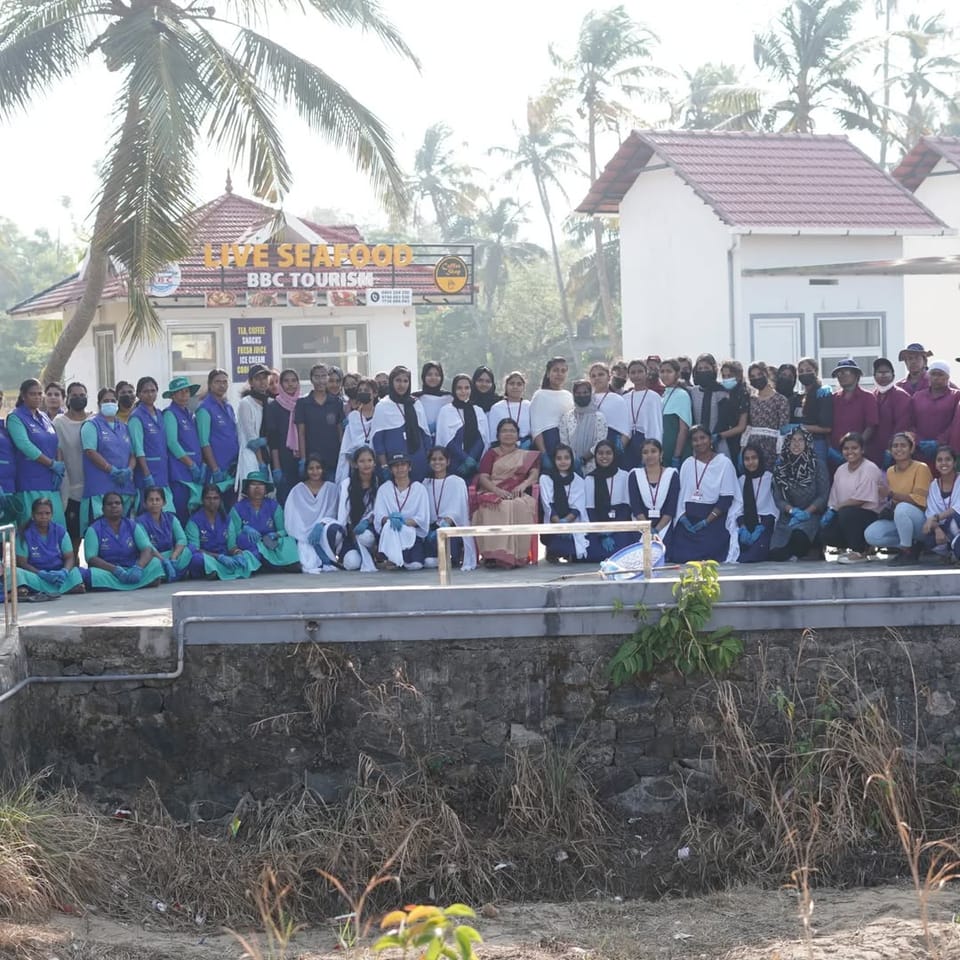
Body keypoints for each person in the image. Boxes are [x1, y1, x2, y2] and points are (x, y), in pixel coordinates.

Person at [667, 424, 742, 564]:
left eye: (703, 438)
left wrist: (707, 521)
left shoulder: (724, 463)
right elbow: (680, 496)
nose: (699, 442)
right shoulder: (687, 464)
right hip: (689, 518)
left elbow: (726, 499)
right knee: (680, 553)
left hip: (713, 517)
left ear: (710, 440)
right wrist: (683, 519)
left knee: (711, 549)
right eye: (695, 439)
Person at [473, 418, 541, 569]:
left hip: (517, 492)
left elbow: (534, 474)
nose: (508, 434)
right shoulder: (491, 454)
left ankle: (517, 556)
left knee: (520, 506)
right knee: (498, 506)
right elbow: (483, 477)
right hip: (493, 490)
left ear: (518, 435)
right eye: (504, 431)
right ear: (498, 435)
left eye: (512, 431)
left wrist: (524, 485)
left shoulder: (525, 455)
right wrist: (497, 491)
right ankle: (493, 555)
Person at [864, 432, 932, 565]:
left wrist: (891, 494)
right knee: (871, 534)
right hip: (901, 517)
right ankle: (913, 546)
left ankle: (905, 551)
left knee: (902, 507)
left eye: (903, 445)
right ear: (890, 450)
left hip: (922, 522)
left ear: (911, 449)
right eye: (895, 446)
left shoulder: (921, 468)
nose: (899, 449)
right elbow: (892, 500)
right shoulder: (890, 471)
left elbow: (921, 501)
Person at [7, 379, 66, 528]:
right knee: (32, 529)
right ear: (23, 395)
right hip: (29, 483)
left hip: (51, 483)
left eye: (40, 393)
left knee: (56, 528)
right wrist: (51, 464)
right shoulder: (16, 417)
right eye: (33, 394)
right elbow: (25, 446)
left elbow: (56, 443)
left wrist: (59, 466)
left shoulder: (44, 417)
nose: (37, 397)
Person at [820, 432, 884, 564]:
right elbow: (834, 499)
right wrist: (831, 510)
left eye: (854, 448)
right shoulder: (840, 470)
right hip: (846, 514)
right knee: (826, 534)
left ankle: (860, 551)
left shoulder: (869, 468)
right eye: (846, 448)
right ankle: (853, 547)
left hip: (870, 516)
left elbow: (861, 499)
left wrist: (838, 508)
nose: (850, 452)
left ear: (862, 450)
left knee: (847, 513)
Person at [768, 427, 830, 563]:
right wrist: (792, 510)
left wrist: (807, 512)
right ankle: (797, 554)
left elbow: (823, 495)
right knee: (774, 553)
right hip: (788, 518)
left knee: (799, 538)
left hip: (811, 515)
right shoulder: (780, 467)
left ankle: (810, 550)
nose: (796, 444)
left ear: (807, 442)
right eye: (793, 440)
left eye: (801, 440)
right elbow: (778, 498)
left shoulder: (818, 465)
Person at [82, 491, 165, 590]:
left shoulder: (132, 525)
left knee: (155, 563)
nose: (114, 506)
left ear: (122, 507)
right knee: (92, 574)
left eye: (117, 503)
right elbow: (91, 558)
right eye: (109, 504)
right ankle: (141, 583)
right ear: (103, 509)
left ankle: (116, 586)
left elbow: (147, 549)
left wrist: (139, 567)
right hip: (109, 573)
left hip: (132, 568)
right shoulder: (93, 529)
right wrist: (115, 570)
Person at [80, 387, 137, 532]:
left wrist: (129, 470)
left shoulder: (124, 427)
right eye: (106, 401)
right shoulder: (91, 425)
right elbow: (90, 451)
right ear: (99, 404)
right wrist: (110, 469)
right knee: (99, 532)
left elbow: (133, 454)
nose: (110, 403)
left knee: (124, 532)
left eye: (113, 400)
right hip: (99, 490)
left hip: (124, 489)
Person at [185, 483, 260, 580]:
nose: (212, 501)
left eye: (215, 498)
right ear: (202, 500)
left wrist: (238, 553)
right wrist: (218, 557)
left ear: (220, 500)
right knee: (196, 559)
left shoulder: (226, 519)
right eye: (208, 498)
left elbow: (231, 547)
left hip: (226, 558)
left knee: (251, 554)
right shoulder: (194, 521)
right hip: (209, 558)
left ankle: (219, 571)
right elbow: (195, 549)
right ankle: (218, 570)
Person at [370, 365, 431, 482]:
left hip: (418, 460)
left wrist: (428, 459)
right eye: (398, 380)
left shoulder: (416, 403)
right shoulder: (383, 405)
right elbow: (378, 439)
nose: (401, 385)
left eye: (405, 381)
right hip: (393, 462)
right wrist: (384, 465)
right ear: (391, 382)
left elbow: (425, 434)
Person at [229, 473, 300, 571]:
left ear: (266, 489)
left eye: (261, 485)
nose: (257, 488)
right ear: (247, 489)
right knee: (246, 541)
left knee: (289, 541)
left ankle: (279, 564)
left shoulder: (274, 506)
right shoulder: (237, 508)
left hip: (270, 543)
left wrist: (275, 534)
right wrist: (244, 529)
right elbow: (233, 533)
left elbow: (284, 530)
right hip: (251, 544)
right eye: (253, 484)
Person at [15, 497, 84, 599]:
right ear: (33, 515)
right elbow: (22, 563)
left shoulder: (60, 531)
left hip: (58, 575)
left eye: (47, 513)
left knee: (76, 572)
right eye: (40, 514)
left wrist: (64, 571)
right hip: (36, 575)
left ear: (52, 515)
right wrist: (41, 573)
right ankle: (65, 588)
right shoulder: (24, 534)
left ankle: (36, 589)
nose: (44, 517)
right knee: (16, 572)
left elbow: (69, 557)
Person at [284, 453, 342, 574]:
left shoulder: (332, 488)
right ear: (306, 470)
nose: (315, 471)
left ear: (323, 469)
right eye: (311, 468)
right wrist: (304, 532)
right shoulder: (297, 489)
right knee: (307, 560)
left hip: (323, 529)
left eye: (318, 468)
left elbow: (333, 511)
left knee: (332, 530)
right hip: (302, 531)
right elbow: (292, 514)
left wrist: (321, 524)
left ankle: (328, 559)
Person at [422, 446, 476, 571]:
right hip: (431, 530)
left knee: (448, 558)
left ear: (448, 461)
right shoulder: (425, 483)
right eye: (433, 459)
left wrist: (446, 522)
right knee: (428, 562)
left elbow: (459, 509)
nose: (437, 462)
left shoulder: (457, 482)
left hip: (450, 529)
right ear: (429, 462)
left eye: (441, 459)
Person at [373, 452, 430, 570]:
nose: (400, 469)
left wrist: (403, 521)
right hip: (392, 532)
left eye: (403, 464)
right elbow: (380, 516)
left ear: (409, 467)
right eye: (395, 466)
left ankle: (402, 558)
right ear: (390, 469)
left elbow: (422, 518)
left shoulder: (419, 488)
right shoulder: (384, 489)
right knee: (389, 525)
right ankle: (390, 558)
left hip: (411, 532)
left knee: (416, 565)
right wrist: (391, 519)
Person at [127, 376, 174, 516]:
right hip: (147, 472)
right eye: (146, 391)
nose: (150, 394)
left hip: (162, 472)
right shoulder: (136, 417)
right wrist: (147, 474)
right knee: (147, 513)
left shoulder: (160, 414)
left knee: (166, 513)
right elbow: (138, 449)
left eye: (153, 391)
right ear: (139, 394)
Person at [53, 382, 91, 551]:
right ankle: (73, 572)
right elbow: (58, 449)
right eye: (74, 395)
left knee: (93, 536)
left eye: (82, 395)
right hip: (70, 488)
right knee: (73, 537)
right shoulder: (60, 422)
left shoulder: (93, 420)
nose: (79, 398)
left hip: (93, 488)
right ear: (67, 398)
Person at [584, 440, 634, 561]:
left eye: (608, 453)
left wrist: (611, 530)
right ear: (595, 456)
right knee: (591, 554)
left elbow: (626, 509)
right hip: (597, 527)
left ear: (614, 455)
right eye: (600, 453)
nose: (604, 457)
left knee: (622, 552)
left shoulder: (624, 476)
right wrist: (602, 534)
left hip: (619, 524)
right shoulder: (589, 479)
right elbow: (590, 511)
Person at [162, 376, 204, 520]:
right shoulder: (170, 414)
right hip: (179, 472)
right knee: (181, 511)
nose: (184, 395)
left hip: (193, 471)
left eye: (186, 391)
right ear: (173, 396)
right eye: (180, 392)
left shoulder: (190, 414)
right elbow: (172, 443)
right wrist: (190, 464)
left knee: (194, 511)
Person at [539, 443, 587, 563]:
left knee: (576, 552)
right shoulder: (545, 478)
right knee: (556, 547)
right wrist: (559, 524)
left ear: (572, 459)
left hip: (571, 521)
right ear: (553, 460)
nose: (563, 462)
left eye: (567, 458)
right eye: (559, 458)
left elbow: (578, 507)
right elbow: (547, 505)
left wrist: (566, 522)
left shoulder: (578, 480)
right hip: (554, 521)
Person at [197, 368, 239, 505]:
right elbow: (204, 442)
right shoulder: (204, 408)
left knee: (231, 506)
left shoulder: (228, 407)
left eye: (225, 382)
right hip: (216, 469)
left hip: (232, 469)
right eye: (217, 382)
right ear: (210, 384)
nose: (221, 385)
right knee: (215, 507)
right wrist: (215, 468)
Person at [435, 374, 490, 481]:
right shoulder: (446, 410)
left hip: (474, 464)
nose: (463, 391)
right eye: (459, 388)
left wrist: (471, 460)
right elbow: (446, 440)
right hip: (454, 463)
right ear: (454, 389)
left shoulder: (478, 410)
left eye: (467, 388)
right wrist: (465, 458)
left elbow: (482, 438)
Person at [295, 363, 343, 478]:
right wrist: (303, 459)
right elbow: (301, 433)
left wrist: (342, 456)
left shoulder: (337, 402)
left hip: (332, 458)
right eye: (317, 377)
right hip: (312, 460)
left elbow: (340, 431)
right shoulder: (303, 403)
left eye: (323, 376)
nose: (320, 380)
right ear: (311, 379)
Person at [627, 438, 680, 544]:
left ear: (661, 454)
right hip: (641, 525)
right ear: (641, 456)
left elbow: (671, 508)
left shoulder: (672, 474)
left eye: (653, 451)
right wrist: (648, 530)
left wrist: (656, 530)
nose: (649, 455)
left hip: (664, 524)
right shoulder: (635, 475)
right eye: (645, 452)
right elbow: (636, 507)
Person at [336, 446, 379, 572]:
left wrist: (367, 521)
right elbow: (343, 515)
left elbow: (378, 511)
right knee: (352, 563)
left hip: (370, 530)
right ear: (355, 464)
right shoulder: (347, 484)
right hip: (351, 532)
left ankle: (373, 553)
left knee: (365, 536)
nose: (366, 464)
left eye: (369, 460)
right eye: (362, 461)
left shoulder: (378, 482)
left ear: (374, 463)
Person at [262, 368, 302, 504]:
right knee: (286, 501)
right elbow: (273, 439)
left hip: (302, 461)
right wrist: (277, 467)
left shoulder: (303, 404)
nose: (290, 384)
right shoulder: (273, 406)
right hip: (283, 459)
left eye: (294, 380)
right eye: (286, 381)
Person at [908, 360, 958, 467]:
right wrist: (918, 441)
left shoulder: (956, 396)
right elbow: (910, 422)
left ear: (948, 377)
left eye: (940, 374)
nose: (936, 378)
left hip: (946, 452)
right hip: (920, 451)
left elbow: (956, 423)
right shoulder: (917, 396)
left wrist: (939, 441)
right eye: (933, 374)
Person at [830, 360, 879, 468]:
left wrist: (855, 447)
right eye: (838, 373)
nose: (841, 376)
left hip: (859, 456)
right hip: (835, 455)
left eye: (845, 372)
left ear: (856, 375)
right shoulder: (833, 398)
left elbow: (871, 426)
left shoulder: (868, 397)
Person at [138, 486, 192, 582]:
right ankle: (174, 574)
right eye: (151, 500)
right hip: (154, 557)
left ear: (164, 502)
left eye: (157, 499)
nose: (154, 503)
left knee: (187, 551)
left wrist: (174, 556)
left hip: (171, 556)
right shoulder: (140, 522)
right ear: (145, 503)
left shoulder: (171, 518)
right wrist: (164, 561)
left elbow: (182, 539)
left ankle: (167, 574)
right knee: (153, 563)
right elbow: (147, 546)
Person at [736, 443, 776, 563]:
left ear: (760, 458)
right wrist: (742, 528)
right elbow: (737, 509)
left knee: (755, 554)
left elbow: (774, 509)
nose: (751, 462)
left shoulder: (769, 479)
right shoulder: (741, 480)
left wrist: (761, 528)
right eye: (747, 459)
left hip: (764, 526)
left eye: (754, 458)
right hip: (745, 527)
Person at [530, 357, 573, 469]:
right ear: (548, 373)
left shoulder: (568, 396)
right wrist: (544, 454)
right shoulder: (540, 395)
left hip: (567, 444)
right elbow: (536, 429)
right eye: (555, 370)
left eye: (563, 371)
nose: (559, 374)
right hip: (548, 442)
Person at [745, 362, 790, 469]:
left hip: (773, 447)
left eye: (759, 374)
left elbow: (783, 429)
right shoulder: (750, 399)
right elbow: (748, 426)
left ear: (766, 374)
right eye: (753, 376)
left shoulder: (780, 400)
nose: (757, 378)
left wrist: (780, 453)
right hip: (753, 448)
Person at [869, 358, 911, 467]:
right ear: (874, 375)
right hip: (873, 453)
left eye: (886, 372)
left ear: (893, 375)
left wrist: (892, 449)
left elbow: (903, 426)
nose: (883, 375)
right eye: (879, 372)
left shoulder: (902, 396)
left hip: (895, 453)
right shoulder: (871, 396)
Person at [236, 363, 271, 491]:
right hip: (251, 456)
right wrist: (260, 463)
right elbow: (251, 437)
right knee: (251, 492)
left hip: (266, 455)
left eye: (265, 378)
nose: (262, 382)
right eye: (258, 379)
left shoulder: (269, 402)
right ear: (251, 382)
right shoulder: (246, 403)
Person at [559, 380, 607, 474]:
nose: (582, 395)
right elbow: (564, 442)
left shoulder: (599, 417)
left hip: (594, 466)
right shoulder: (567, 417)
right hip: (570, 466)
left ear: (590, 393)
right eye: (578, 393)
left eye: (585, 392)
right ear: (574, 395)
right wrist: (573, 460)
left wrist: (584, 459)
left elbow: (600, 442)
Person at [335, 377, 378, 482]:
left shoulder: (380, 414)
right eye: (360, 391)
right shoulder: (353, 416)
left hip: (377, 464)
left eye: (366, 391)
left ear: (375, 393)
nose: (363, 393)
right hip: (356, 466)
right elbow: (347, 445)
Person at [922, 445, 959, 561]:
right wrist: (937, 529)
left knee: (954, 520)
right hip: (945, 528)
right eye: (939, 460)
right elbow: (930, 514)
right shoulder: (934, 485)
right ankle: (951, 551)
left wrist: (936, 517)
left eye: (948, 459)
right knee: (929, 539)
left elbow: (957, 508)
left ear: (954, 462)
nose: (944, 463)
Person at [793, 357, 834, 461]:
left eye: (808, 370)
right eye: (801, 371)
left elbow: (827, 428)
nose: (804, 373)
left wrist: (800, 427)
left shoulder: (823, 394)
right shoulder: (798, 397)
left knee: (819, 475)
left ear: (816, 371)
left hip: (816, 444)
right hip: (798, 445)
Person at [715, 360, 749, 466]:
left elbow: (741, 426)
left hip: (738, 441)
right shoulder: (723, 393)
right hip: (724, 441)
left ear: (738, 376)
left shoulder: (743, 394)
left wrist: (719, 436)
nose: (726, 379)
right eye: (724, 376)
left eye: (729, 375)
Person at [588, 362, 630, 449]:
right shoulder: (587, 400)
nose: (597, 378)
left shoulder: (618, 400)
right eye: (593, 376)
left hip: (611, 447)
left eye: (601, 374)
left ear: (609, 377)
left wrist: (617, 451)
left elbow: (626, 431)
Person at [660, 359, 692, 468]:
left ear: (677, 374)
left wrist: (676, 456)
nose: (665, 375)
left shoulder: (681, 395)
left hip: (677, 452)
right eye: (662, 371)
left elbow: (683, 429)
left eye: (669, 371)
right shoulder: (663, 395)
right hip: (663, 452)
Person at [487, 372, 532, 448]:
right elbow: (493, 437)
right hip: (503, 449)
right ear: (506, 386)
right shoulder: (496, 408)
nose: (515, 387)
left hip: (526, 447)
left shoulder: (529, 406)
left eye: (519, 384)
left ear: (524, 387)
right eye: (512, 383)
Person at [414, 362, 451, 440]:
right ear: (423, 376)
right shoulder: (415, 398)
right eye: (429, 374)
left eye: (437, 375)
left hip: (444, 441)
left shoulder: (449, 398)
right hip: (421, 441)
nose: (433, 378)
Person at [690, 354, 725, 438]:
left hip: (718, 439)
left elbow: (724, 420)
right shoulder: (692, 392)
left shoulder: (722, 391)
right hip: (698, 442)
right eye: (700, 369)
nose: (703, 371)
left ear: (713, 369)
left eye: (706, 368)